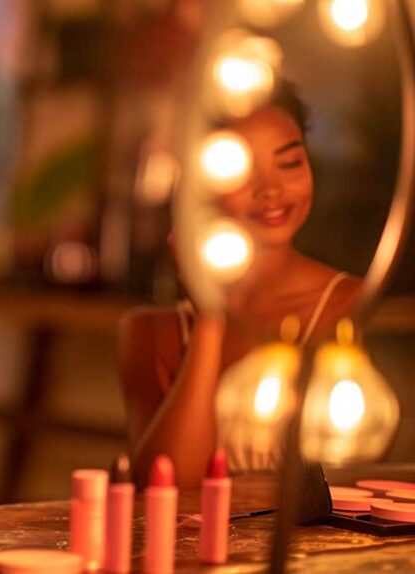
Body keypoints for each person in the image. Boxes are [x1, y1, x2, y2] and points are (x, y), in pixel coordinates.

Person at [118, 83, 361, 487]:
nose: (271, 190)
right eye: (244, 170)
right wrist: (211, 316)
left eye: (290, 163)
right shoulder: (152, 332)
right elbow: (166, 490)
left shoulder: (355, 306)